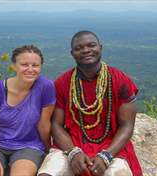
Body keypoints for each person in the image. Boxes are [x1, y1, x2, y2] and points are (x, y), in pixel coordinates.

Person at [38, 31, 142, 176]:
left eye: (91, 45)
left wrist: (106, 156)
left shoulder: (120, 80)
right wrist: (73, 152)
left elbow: (127, 125)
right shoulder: (62, 83)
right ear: (72, 53)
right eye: (79, 48)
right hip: (71, 144)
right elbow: (56, 125)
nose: (86, 50)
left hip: (111, 147)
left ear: (100, 47)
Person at [0, 45, 56, 176]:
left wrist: (48, 150)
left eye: (35, 65)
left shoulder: (45, 87)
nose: (30, 69)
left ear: (40, 67)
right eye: (24, 64)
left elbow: (44, 124)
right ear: (14, 66)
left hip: (28, 146)